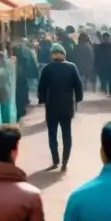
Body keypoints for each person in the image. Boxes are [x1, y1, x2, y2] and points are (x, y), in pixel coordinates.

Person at [37, 43, 84, 172]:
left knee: (52, 134)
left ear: (52, 55)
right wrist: (78, 99)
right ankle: (65, 162)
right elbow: (78, 86)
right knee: (66, 134)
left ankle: (55, 160)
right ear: (64, 54)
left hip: (52, 106)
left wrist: (42, 100)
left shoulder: (47, 68)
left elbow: (41, 87)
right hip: (67, 106)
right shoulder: (71, 67)